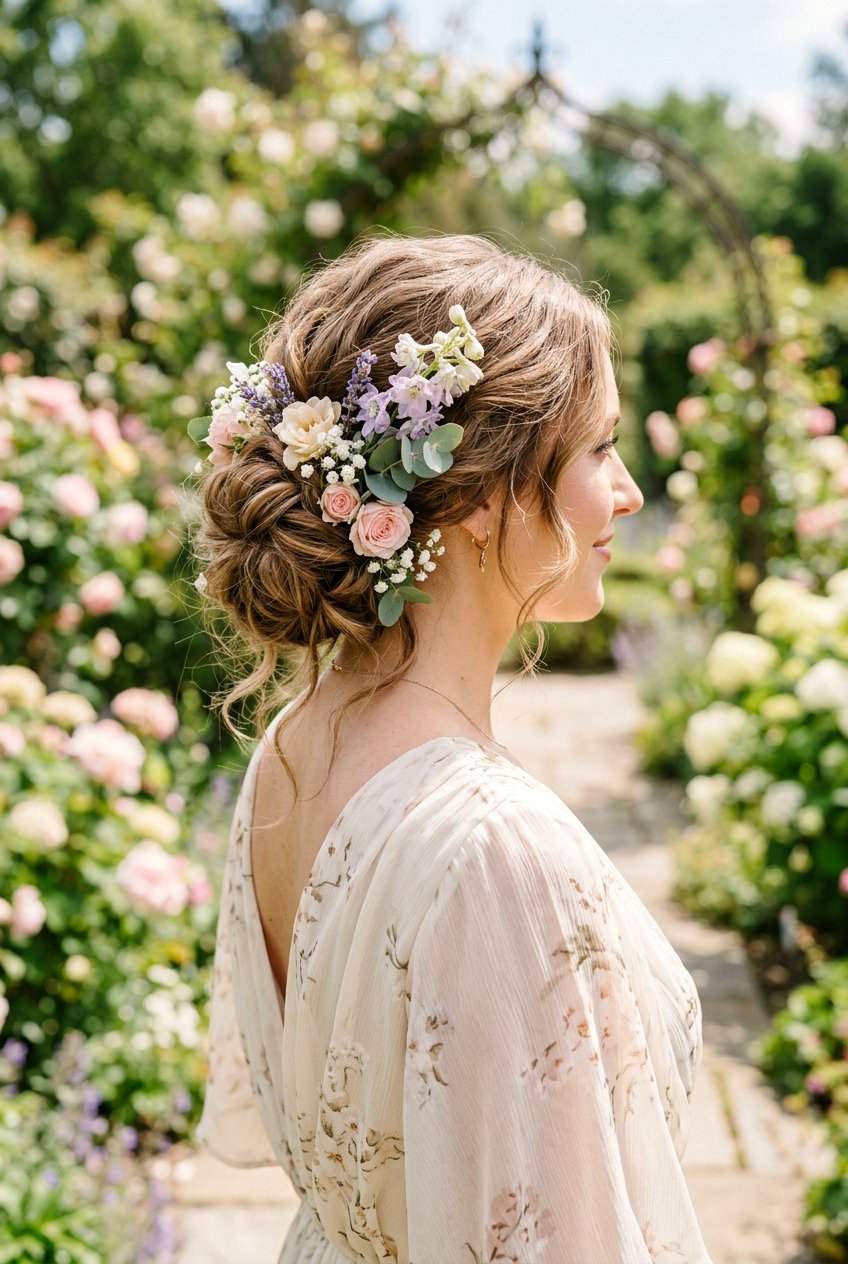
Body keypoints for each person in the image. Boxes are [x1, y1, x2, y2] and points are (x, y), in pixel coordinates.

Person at [192, 234, 714, 1263]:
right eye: (599, 449)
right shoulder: (495, 851)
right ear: (478, 491)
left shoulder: (291, 753)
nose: (627, 495)